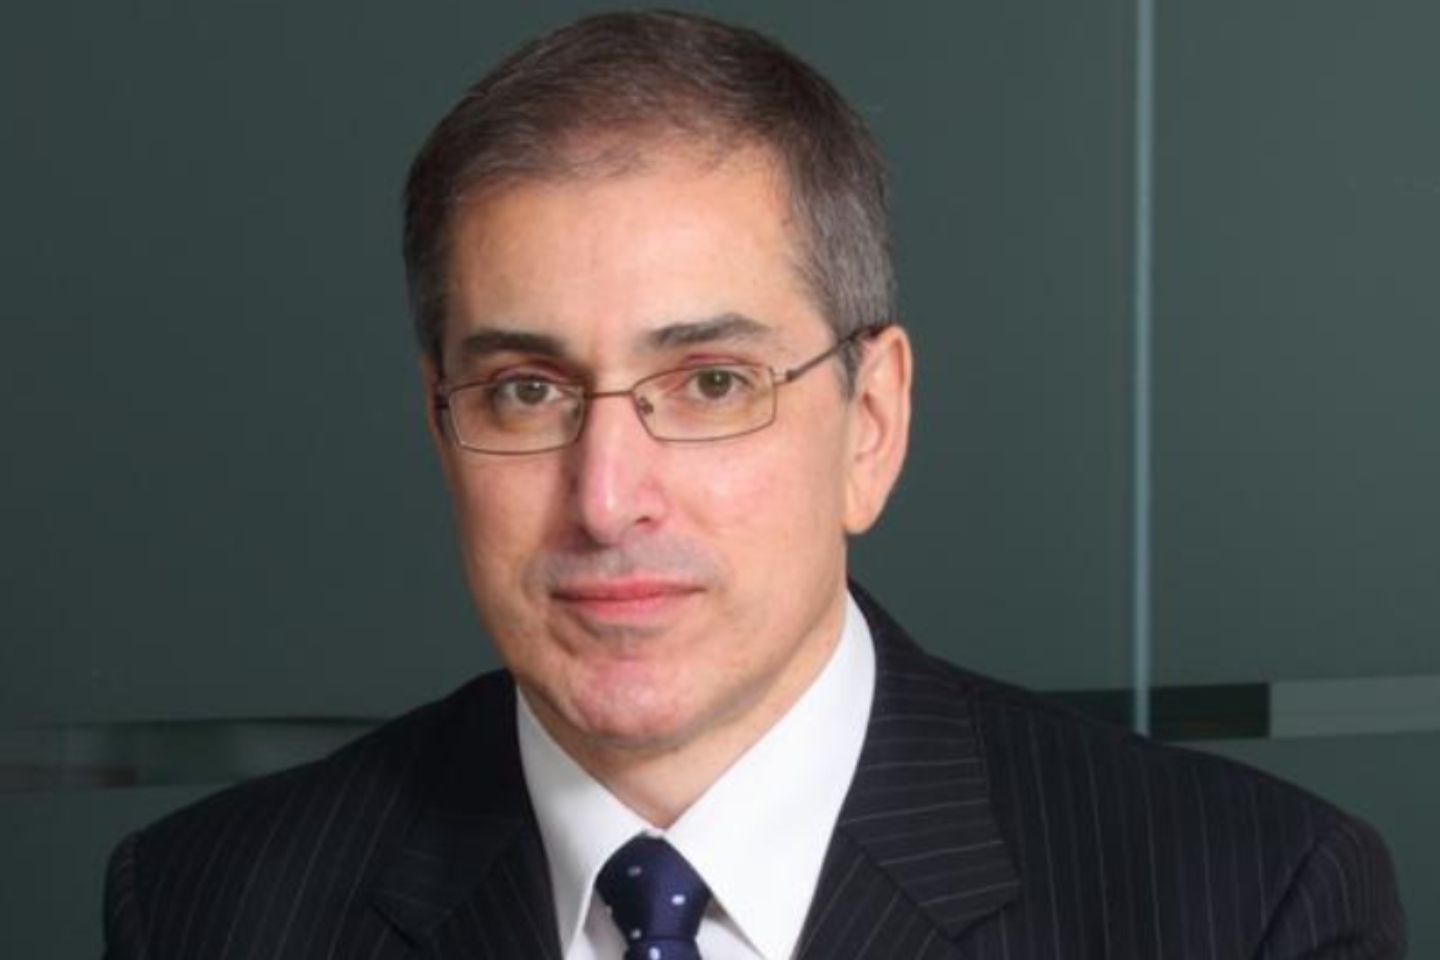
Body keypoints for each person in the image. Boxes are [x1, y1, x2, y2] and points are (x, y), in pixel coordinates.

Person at [102, 10, 1405, 959]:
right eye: (528, 391)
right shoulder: (211, 909)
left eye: (712, 383)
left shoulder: (1246, 906)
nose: (607, 498)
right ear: (442, 431)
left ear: (870, 425)